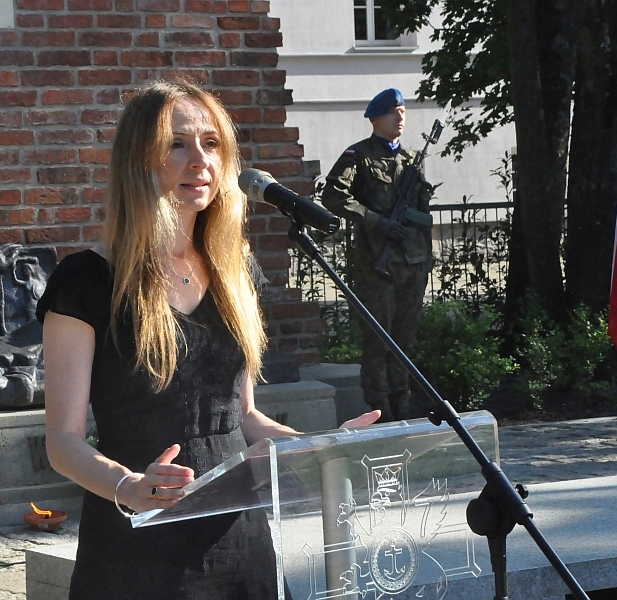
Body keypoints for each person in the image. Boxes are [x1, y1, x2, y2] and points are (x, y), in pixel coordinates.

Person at [37, 80, 379, 599]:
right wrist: (128, 486)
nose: (200, 160)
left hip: (238, 538)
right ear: (139, 160)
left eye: (211, 143)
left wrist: (318, 448)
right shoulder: (86, 281)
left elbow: (243, 416)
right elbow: (63, 442)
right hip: (138, 544)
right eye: (177, 144)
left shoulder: (233, 273)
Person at [321, 88, 434, 422]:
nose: (400, 118)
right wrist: (376, 221)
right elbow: (334, 196)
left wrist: (426, 256)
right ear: (375, 119)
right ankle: (379, 411)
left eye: (403, 111)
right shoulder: (359, 156)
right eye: (392, 112)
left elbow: (422, 213)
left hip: (412, 261)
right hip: (377, 265)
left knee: (404, 340)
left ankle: (403, 406)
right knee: (378, 341)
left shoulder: (412, 159)